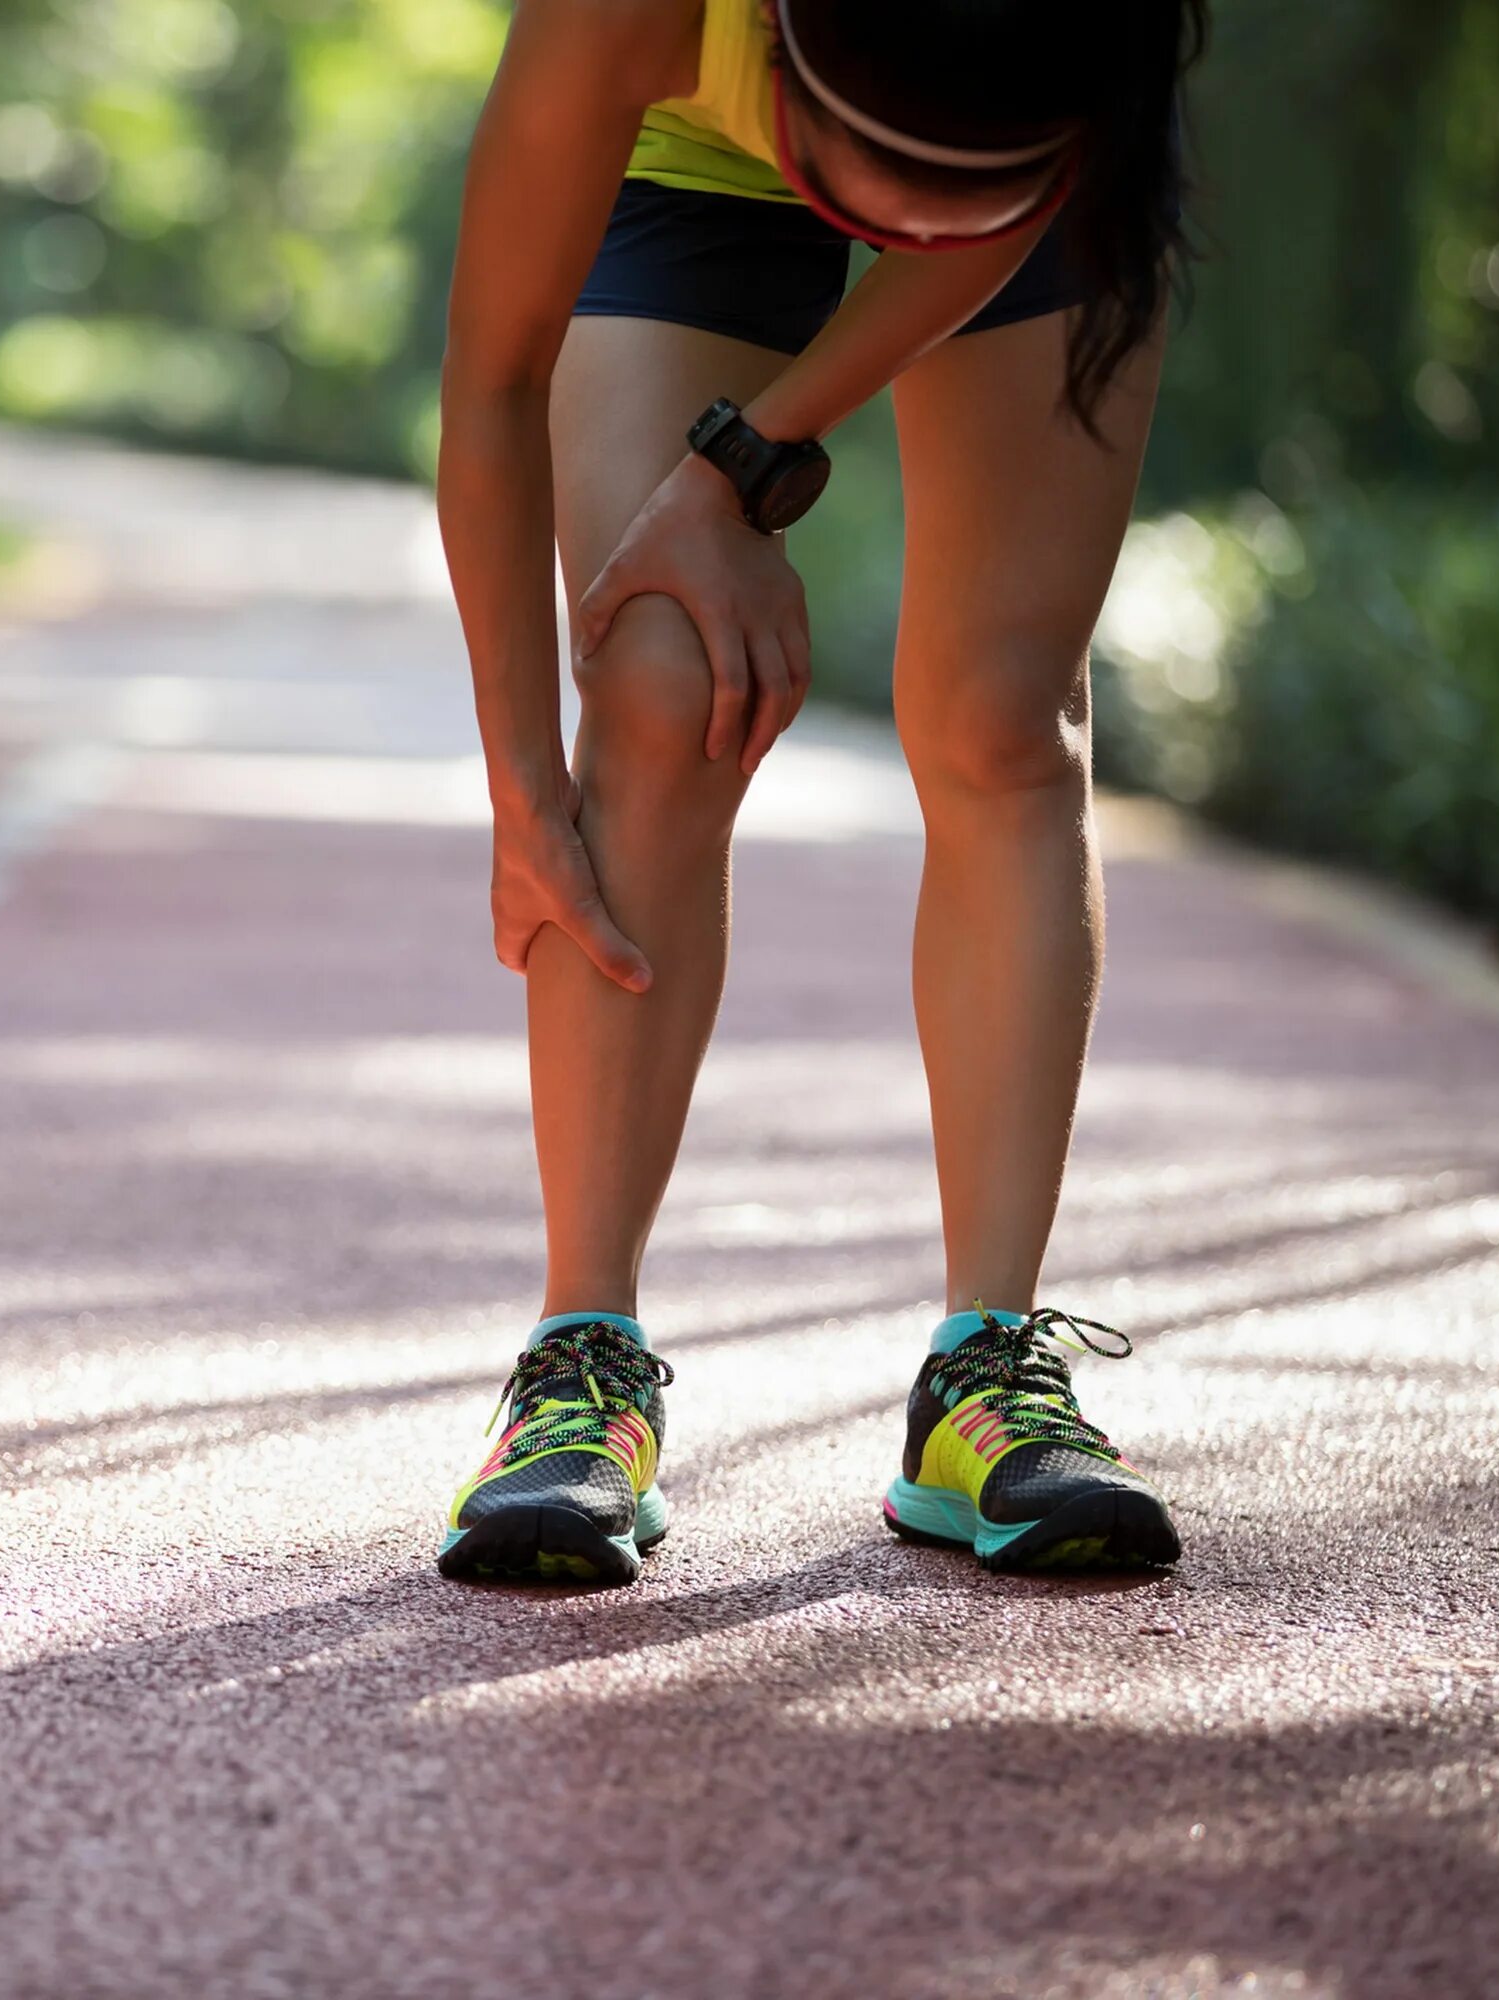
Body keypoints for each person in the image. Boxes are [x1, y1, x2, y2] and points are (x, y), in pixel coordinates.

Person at [433, 0, 1205, 1584]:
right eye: (870, 183)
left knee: (1000, 720)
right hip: (691, 165)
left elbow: (980, 213)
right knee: (658, 677)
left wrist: (746, 462)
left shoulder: (1084, 59)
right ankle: (582, 1366)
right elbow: (494, 377)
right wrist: (523, 790)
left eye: (933, 196)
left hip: (1040, 147)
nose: (887, 230)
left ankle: (983, 1373)